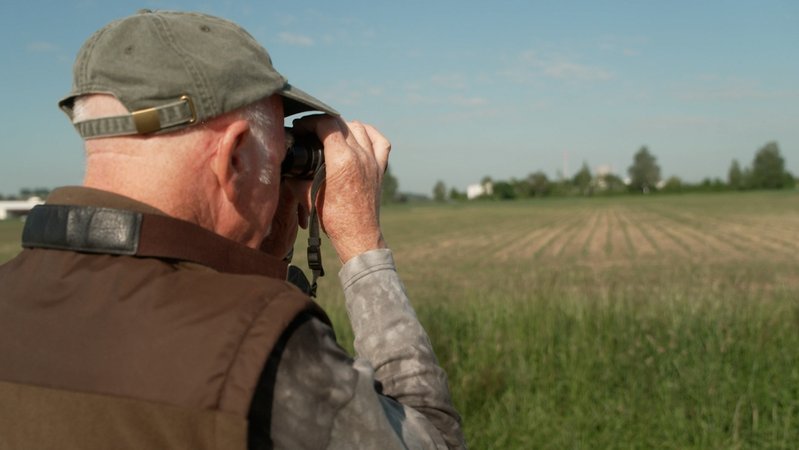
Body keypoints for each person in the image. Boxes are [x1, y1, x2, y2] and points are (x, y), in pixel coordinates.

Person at [0, 10, 465, 450]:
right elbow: (434, 439)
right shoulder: (265, 347)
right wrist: (364, 244)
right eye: (279, 151)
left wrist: (268, 231)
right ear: (236, 154)